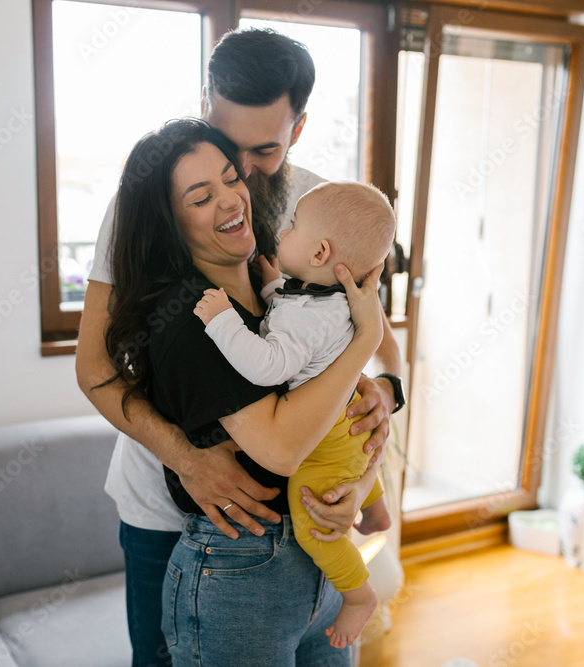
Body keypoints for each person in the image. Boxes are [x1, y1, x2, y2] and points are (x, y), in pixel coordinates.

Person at [76, 28, 404, 666]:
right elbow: (93, 369)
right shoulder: (146, 208)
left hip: (291, 524)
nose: (242, 182)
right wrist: (187, 458)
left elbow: (372, 342)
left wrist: (382, 408)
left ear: (298, 130)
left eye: (262, 153)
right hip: (163, 508)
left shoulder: (322, 207)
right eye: (227, 148)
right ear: (206, 107)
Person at [192, 180, 397, 648]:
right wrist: (271, 282)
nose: (281, 233)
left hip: (323, 437)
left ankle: (359, 594)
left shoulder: (309, 314)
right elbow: (289, 311)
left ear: (320, 252)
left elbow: (270, 364)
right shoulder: (324, 298)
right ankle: (376, 506)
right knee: (353, 461)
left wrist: (221, 319)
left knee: (313, 524)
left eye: (291, 227)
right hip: (345, 420)